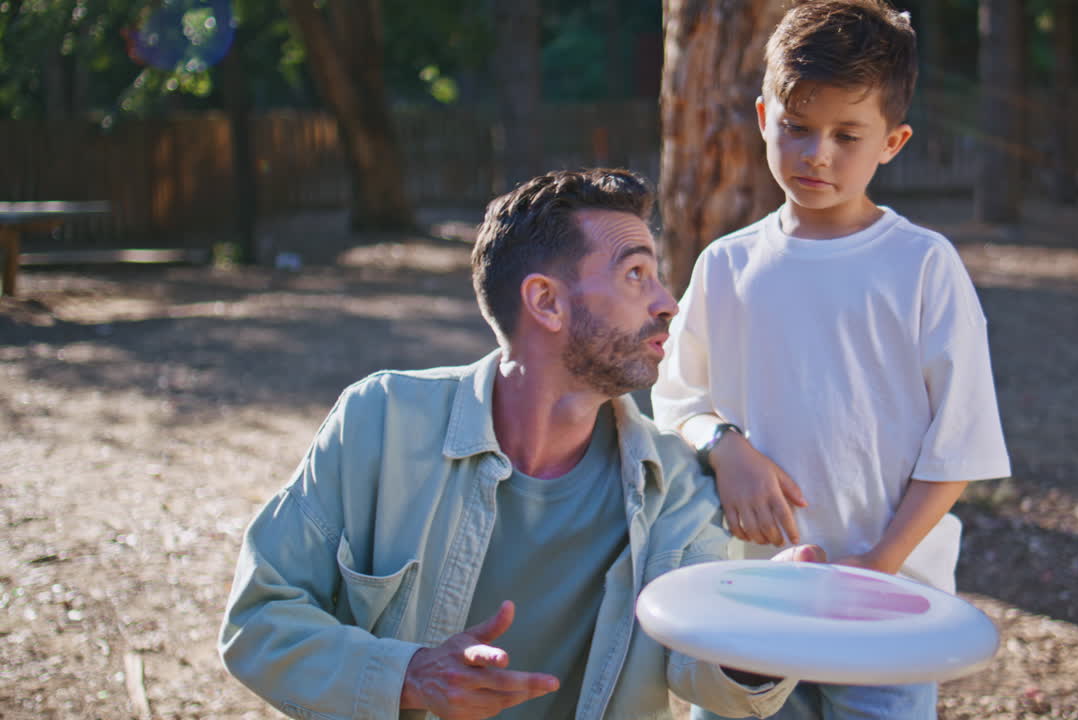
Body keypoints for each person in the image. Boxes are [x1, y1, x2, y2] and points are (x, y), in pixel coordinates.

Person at [218, 168, 809, 720]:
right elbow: (259, 620)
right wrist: (410, 675)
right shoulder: (380, 421)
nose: (667, 303)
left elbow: (698, 667)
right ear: (546, 302)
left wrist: (757, 635)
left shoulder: (675, 479)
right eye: (636, 275)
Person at [651, 2, 1012, 719]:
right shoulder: (727, 266)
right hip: (750, 601)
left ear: (893, 141)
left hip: (889, 610)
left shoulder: (921, 266)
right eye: (797, 128)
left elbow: (960, 445)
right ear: (763, 118)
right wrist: (726, 448)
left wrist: (875, 572)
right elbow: (676, 398)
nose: (817, 153)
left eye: (847, 135)